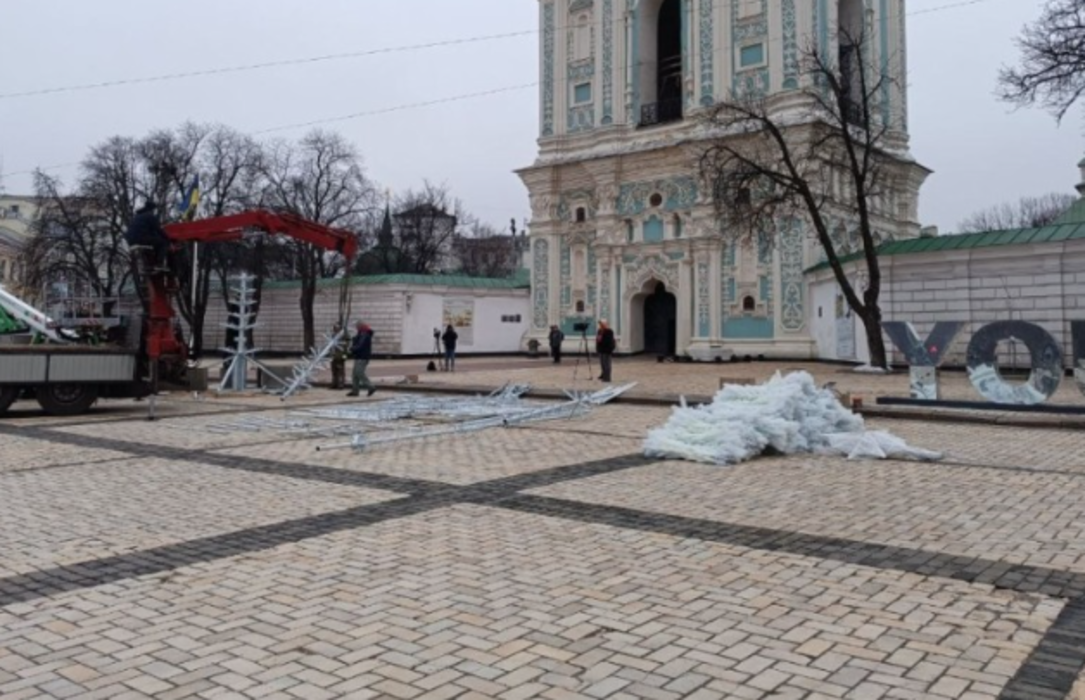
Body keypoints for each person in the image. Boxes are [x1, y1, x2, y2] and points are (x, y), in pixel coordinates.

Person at [124, 201, 170, 271]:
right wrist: (168, 238)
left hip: (131, 240)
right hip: (140, 238)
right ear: (152, 209)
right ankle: (159, 264)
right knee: (163, 243)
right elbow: (158, 229)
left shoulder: (137, 216)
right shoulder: (149, 216)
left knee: (152, 243)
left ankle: (149, 265)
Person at [346, 321, 376, 397]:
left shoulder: (365, 335)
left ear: (361, 327)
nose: (356, 328)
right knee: (354, 374)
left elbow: (360, 346)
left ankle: (371, 387)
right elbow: (356, 342)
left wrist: (351, 349)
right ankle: (355, 391)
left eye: (357, 326)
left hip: (362, 357)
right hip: (359, 356)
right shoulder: (361, 334)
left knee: (359, 373)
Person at [330, 322, 348, 389]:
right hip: (333, 356)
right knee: (334, 371)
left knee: (340, 371)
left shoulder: (342, 337)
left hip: (340, 356)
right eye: (335, 328)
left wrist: (344, 357)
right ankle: (334, 384)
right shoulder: (332, 336)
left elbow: (345, 348)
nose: (336, 329)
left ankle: (341, 384)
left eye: (337, 328)